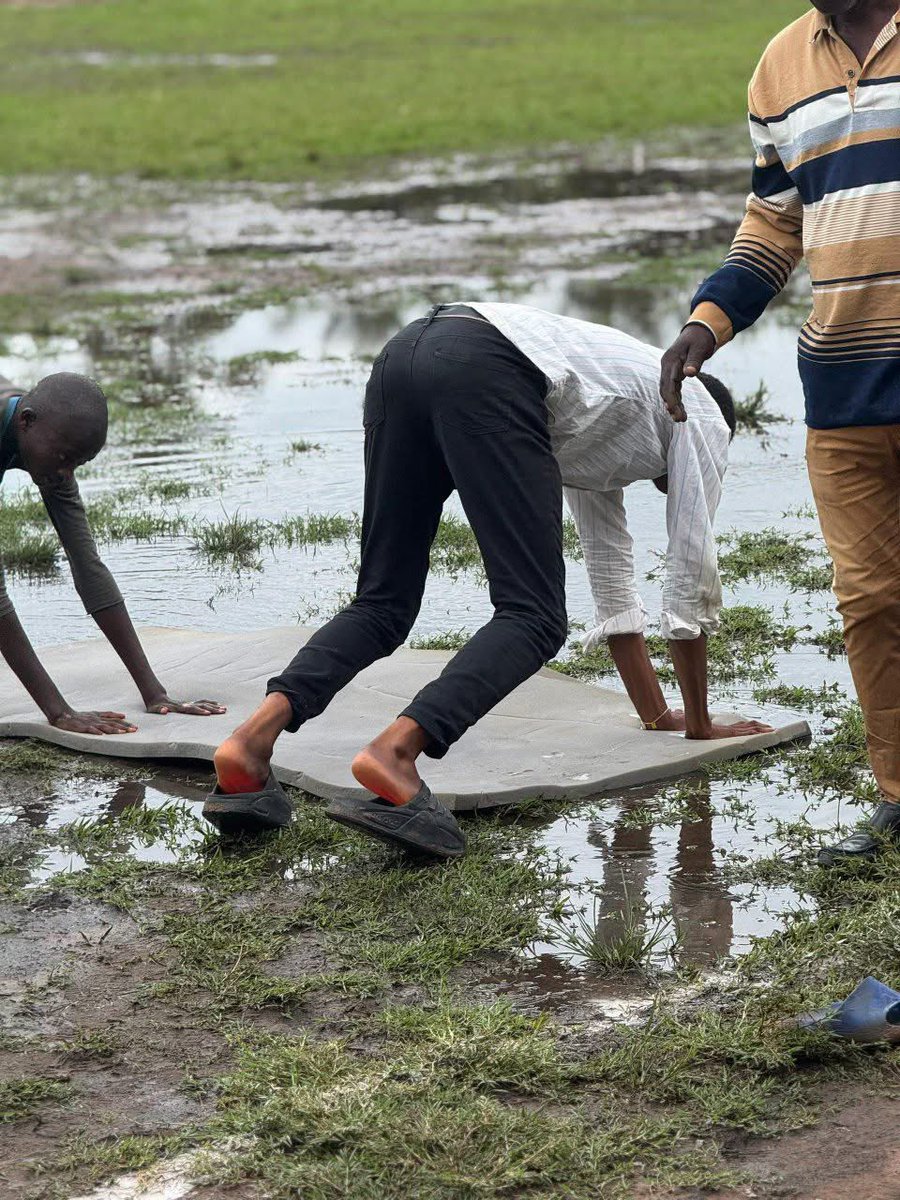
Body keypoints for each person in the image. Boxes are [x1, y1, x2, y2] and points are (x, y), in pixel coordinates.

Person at [208, 303, 771, 856]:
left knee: (383, 602)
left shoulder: (601, 416)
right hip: (489, 366)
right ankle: (395, 755)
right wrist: (699, 725)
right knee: (534, 617)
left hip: (405, 355)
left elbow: (610, 570)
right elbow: (689, 574)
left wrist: (658, 715)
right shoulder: (696, 410)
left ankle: (250, 743)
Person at [659, 0, 900, 866]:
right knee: (871, 601)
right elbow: (774, 221)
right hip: (843, 390)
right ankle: (898, 797)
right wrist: (705, 325)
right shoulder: (779, 65)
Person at [0, 372, 225, 734]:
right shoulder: (36, 430)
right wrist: (58, 712)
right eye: (63, 457)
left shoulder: (45, 442)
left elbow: (87, 565)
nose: (65, 472)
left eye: (77, 463)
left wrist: (154, 693)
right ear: (26, 422)